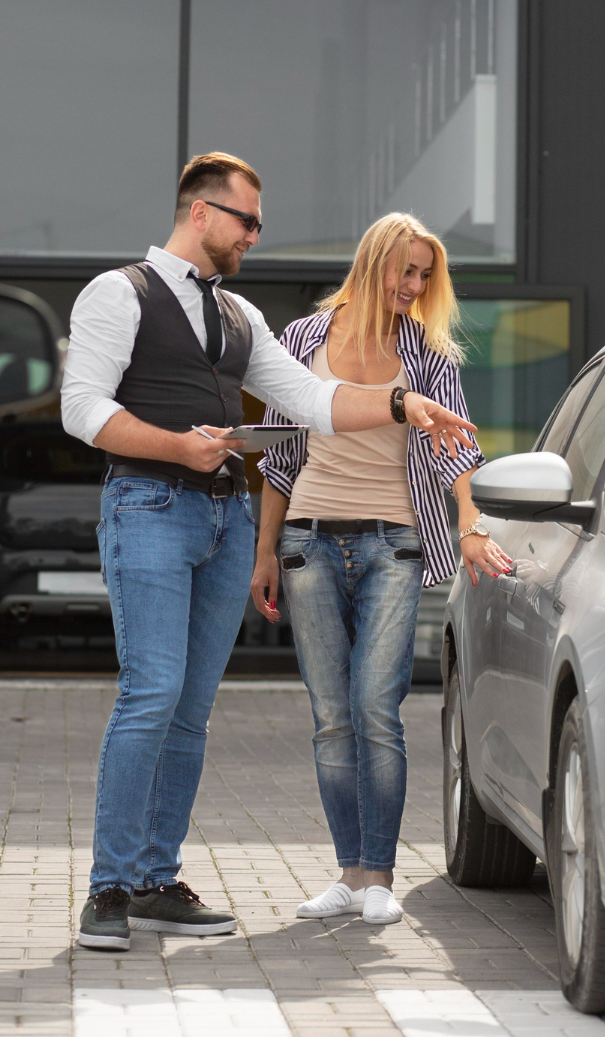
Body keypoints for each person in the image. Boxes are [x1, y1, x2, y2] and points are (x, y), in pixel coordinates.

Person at [60, 155, 477, 952]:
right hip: (148, 506)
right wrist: (179, 449)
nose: (255, 235)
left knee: (190, 710)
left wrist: (401, 401)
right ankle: (108, 889)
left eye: (259, 223)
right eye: (246, 221)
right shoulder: (119, 293)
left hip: (223, 517)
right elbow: (83, 408)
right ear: (202, 213)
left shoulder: (242, 316)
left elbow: (315, 401)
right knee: (150, 693)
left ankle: (155, 880)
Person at [251, 213, 511, 925]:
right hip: (307, 539)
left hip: (392, 541)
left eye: (426, 275)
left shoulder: (426, 352)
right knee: (332, 716)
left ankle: (380, 879)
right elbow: (278, 456)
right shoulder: (301, 341)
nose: (416, 285)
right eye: (407, 271)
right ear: (373, 265)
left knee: (376, 706)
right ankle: (348, 872)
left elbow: (458, 446)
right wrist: (265, 552)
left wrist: (468, 523)